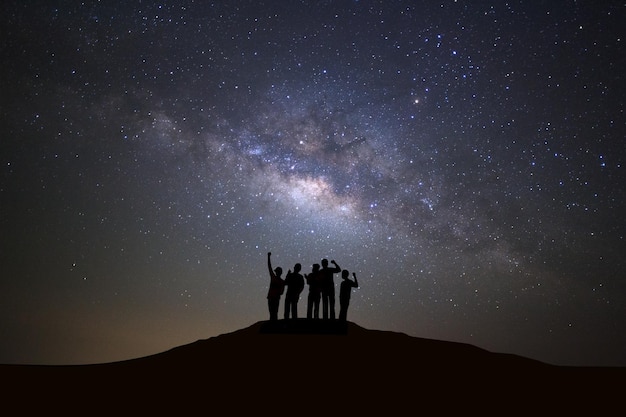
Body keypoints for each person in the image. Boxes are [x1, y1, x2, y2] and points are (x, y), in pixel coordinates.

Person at [266, 252, 285, 321]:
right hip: (274, 297)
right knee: (273, 312)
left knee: (273, 312)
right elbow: (269, 267)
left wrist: (268, 257)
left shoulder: (274, 278)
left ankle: (273, 325)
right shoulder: (281, 281)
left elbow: (269, 267)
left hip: (273, 297)